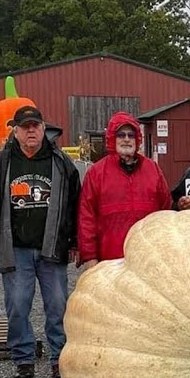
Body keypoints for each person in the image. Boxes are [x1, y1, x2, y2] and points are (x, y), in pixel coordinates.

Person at [0, 106, 81, 378]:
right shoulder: (2, 161)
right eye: (25, 126)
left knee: (58, 306)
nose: (30, 131)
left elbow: (75, 206)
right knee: (18, 306)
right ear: (15, 131)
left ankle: (60, 360)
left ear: (44, 128)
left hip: (52, 248)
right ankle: (23, 359)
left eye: (35, 125)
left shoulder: (61, 162)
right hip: (16, 248)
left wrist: (74, 242)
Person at [77, 111, 170, 268]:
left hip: (148, 258)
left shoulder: (153, 169)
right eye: (121, 135)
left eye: (131, 135)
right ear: (112, 139)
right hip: (110, 262)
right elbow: (86, 218)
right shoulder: (96, 173)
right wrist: (89, 257)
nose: (126, 139)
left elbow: (165, 211)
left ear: (137, 139)